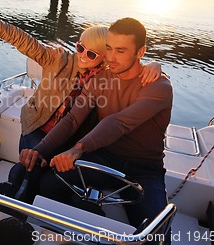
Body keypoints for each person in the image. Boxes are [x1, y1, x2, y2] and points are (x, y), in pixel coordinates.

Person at [0, 4, 162, 202]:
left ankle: (26, 202)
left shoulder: (106, 77)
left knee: (48, 175)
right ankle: (18, 202)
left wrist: (155, 66)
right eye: (80, 47)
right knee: (31, 167)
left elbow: (130, 68)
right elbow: (25, 42)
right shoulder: (58, 59)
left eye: (91, 54)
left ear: (104, 58)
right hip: (37, 126)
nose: (82, 55)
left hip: (70, 138)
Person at [23, 17, 172, 241]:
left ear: (140, 52)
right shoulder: (100, 79)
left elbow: (119, 122)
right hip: (104, 157)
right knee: (48, 183)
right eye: (109, 49)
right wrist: (40, 150)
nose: (111, 58)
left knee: (156, 234)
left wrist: (78, 148)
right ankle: (79, 228)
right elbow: (73, 119)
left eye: (121, 51)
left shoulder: (158, 87)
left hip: (143, 169)